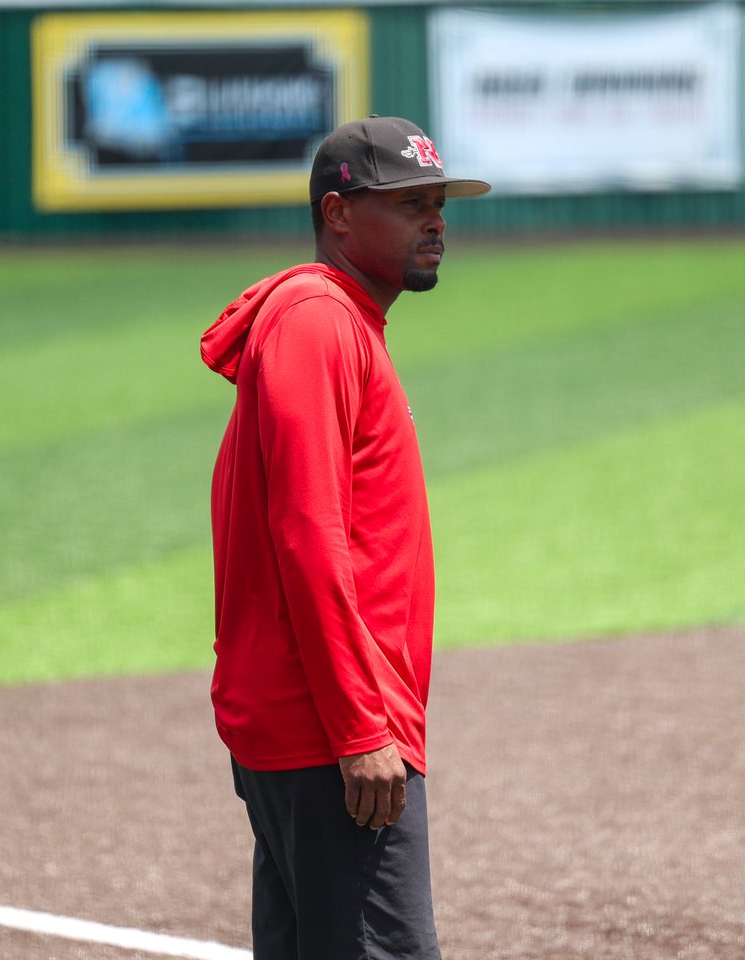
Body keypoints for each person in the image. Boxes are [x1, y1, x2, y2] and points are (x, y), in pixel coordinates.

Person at [199, 115, 490, 960]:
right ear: (337, 214)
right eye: (407, 205)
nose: (434, 222)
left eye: (437, 204)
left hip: (313, 724)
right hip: (330, 735)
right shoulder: (320, 324)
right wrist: (363, 728)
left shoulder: (339, 323)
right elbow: (307, 535)